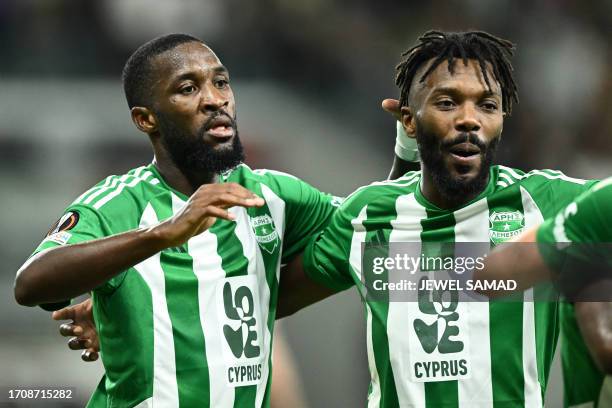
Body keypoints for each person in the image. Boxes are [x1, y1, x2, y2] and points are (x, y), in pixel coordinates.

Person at [13, 33, 353, 407]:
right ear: (146, 119)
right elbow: (31, 285)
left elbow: (378, 224)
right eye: (188, 88)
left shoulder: (270, 195)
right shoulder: (118, 203)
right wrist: (160, 235)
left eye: (221, 82)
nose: (215, 99)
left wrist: (405, 149)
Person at [277, 30, 602, 407]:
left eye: (487, 105)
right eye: (447, 103)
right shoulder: (368, 214)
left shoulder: (543, 202)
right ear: (409, 122)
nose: (469, 120)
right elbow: (269, 301)